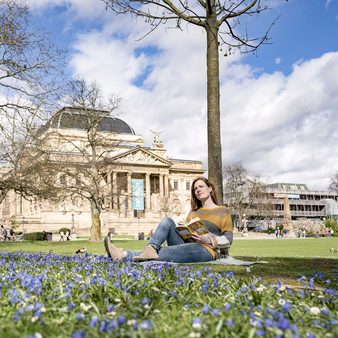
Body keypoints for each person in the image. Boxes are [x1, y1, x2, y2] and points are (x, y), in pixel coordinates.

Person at [104, 177, 233, 263]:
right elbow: (186, 235)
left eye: (201, 186)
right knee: (166, 220)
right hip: (187, 245)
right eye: (195, 189)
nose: (198, 190)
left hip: (206, 250)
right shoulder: (193, 213)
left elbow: (228, 239)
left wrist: (209, 240)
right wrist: (182, 230)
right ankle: (151, 248)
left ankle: (124, 254)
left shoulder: (222, 211)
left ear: (210, 188)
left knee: (166, 252)